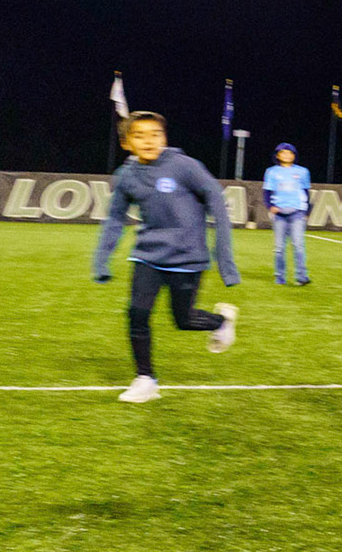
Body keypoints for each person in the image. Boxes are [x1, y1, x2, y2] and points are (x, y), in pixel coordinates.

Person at [91, 113, 240, 403]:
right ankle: (145, 379)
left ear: (165, 137)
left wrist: (225, 261)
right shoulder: (126, 176)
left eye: (155, 134)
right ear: (126, 143)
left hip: (188, 258)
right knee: (137, 312)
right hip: (147, 256)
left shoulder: (185, 166)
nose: (149, 140)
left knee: (183, 320)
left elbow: (217, 204)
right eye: (140, 135)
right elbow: (115, 218)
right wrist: (101, 259)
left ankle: (222, 321)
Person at [262, 142, 312, 286]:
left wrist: (306, 210)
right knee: (279, 248)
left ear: (294, 156)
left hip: (297, 212)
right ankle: (280, 277)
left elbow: (306, 192)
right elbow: (267, 192)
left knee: (298, 245)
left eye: (290, 153)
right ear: (277, 155)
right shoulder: (271, 171)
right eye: (283, 152)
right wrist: (270, 206)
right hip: (279, 214)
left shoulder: (302, 171)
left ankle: (302, 277)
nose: (287, 155)